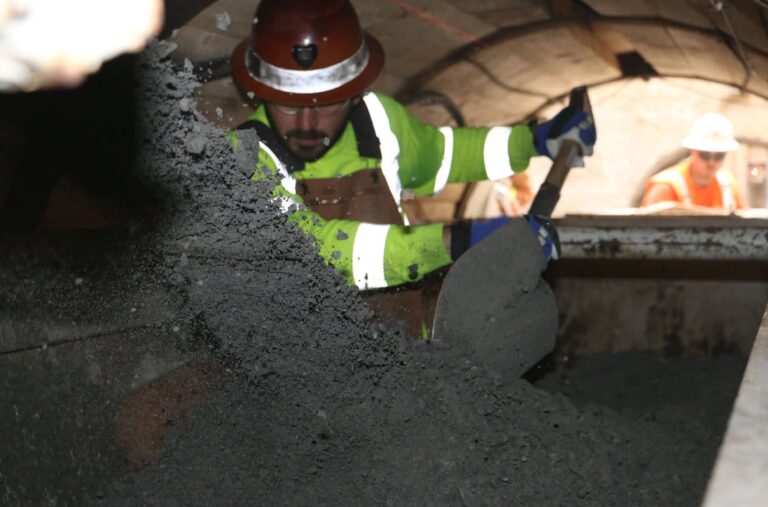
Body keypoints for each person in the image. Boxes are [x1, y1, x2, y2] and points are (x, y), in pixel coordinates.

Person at [228, 0, 594, 335]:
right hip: (303, 378)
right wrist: (460, 240)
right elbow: (321, 255)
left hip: (407, 367)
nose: (306, 124)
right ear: (259, 93)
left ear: (355, 93)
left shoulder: (378, 120)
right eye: (288, 106)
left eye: (326, 105)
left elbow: (444, 155)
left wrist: (535, 140)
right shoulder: (243, 157)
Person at [641, 113, 744, 211]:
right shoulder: (666, 187)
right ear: (692, 152)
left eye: (719, 156)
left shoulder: (728, 185)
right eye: (705, 155)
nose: (711, 162)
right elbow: (648, 227)